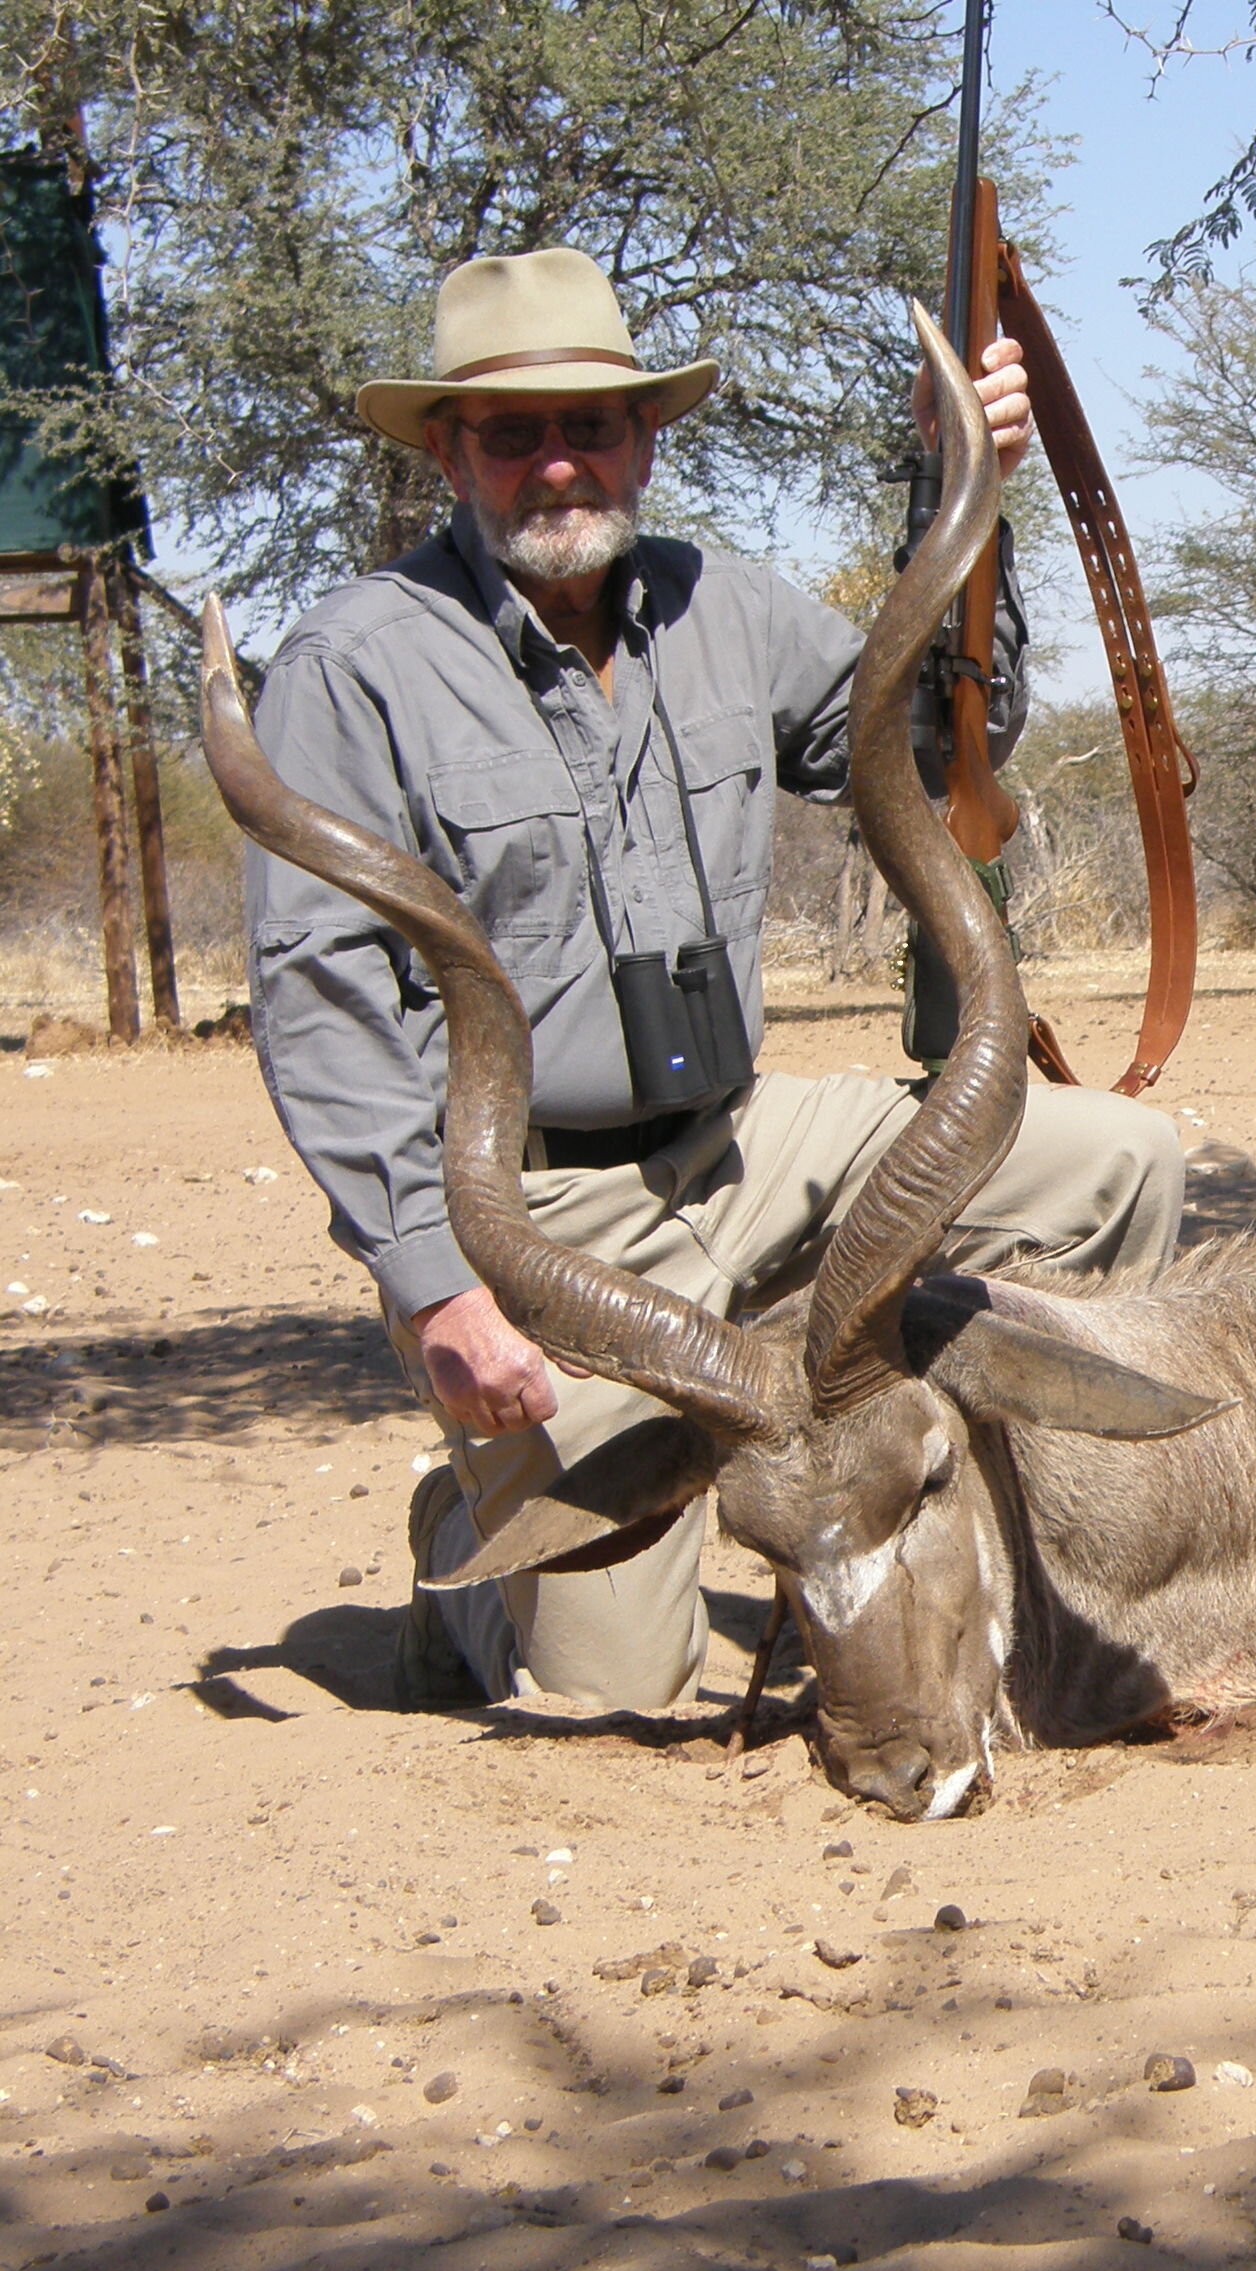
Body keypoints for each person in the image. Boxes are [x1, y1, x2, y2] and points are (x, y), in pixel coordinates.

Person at [245, 248, 1182, 1715]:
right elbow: (320, 1002)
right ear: (449, 451)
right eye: (513, 435)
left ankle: (953, 1571)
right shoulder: (353, 669)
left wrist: (968, 508)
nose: (559, 463)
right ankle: (466, 1544)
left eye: (593, 427)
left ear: (646, 436)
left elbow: (939, 740)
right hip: (540, 1228)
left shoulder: (723, 608)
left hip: (746, 1151)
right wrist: (435, 1289)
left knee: (1115, 1165)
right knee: (622, 1682)